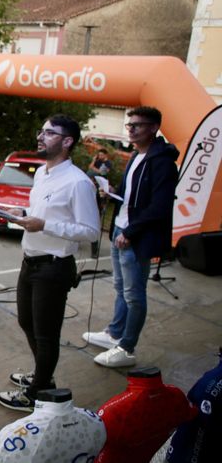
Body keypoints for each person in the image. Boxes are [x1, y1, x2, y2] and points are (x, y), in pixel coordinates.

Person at [0, 114, 100, 412]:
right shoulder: (42, 173)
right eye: (40, 131)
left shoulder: (79, 183)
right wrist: (22, 211)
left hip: (54, 267)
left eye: (49, 133)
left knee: (46, 333)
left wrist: (44, 225)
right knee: (26, 322)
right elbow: (42, 211)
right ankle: (43, 375)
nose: (40, 137)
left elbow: (91, 231)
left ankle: (39, 391)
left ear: (67, 142)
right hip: (30, 261)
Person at [83, 106, 178, 368]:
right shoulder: (137, 156)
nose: (131, 129)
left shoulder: (162, 163)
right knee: (120, 288)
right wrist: (112, 192)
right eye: (129, 124)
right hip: (119, 230)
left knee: (134, 294)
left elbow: (159, 206)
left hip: (134, 236)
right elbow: (133, 196)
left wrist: (130, 232)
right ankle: (115, 332)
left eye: (137, 125)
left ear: (154, 128)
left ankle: (127, 348)